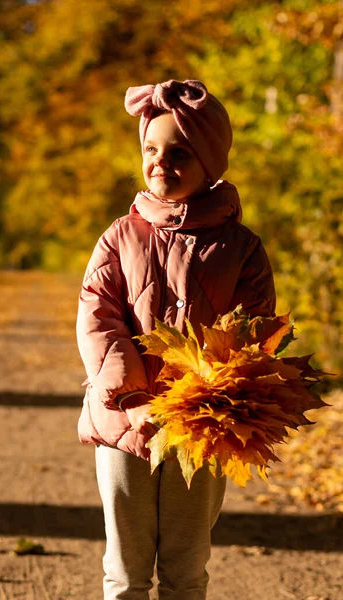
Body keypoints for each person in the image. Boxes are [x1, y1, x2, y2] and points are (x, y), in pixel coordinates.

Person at [76, 79, 276, 600]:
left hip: (202, 425)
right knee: (126, 566)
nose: (160, 160)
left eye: (179, 151)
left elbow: (254, 332)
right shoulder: (119, 237)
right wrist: (132, 396)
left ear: (210, 161)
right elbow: (99, 317)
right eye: (150, 149)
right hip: (123, 419)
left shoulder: (242, 248)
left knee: (186, 568)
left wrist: (209, 399)